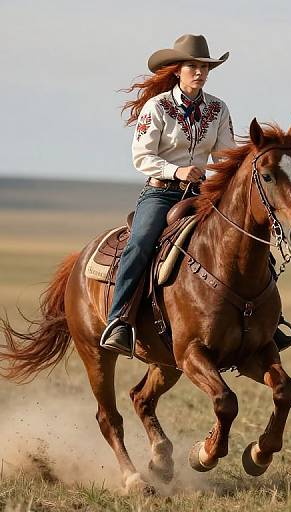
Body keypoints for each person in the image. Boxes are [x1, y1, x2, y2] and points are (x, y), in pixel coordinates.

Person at [100, 34, 235, 355]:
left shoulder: (218, 109)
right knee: (141, 241)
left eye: (205, 67)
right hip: (161, 193)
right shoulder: (157, 107)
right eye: (193, 66)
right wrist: (178, 171)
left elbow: (227, 156)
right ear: (177, 70)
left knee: (239, 237)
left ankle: (267, 319)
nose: (200, 72)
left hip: (202, 194)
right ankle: (119, 320)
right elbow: (142, 157)